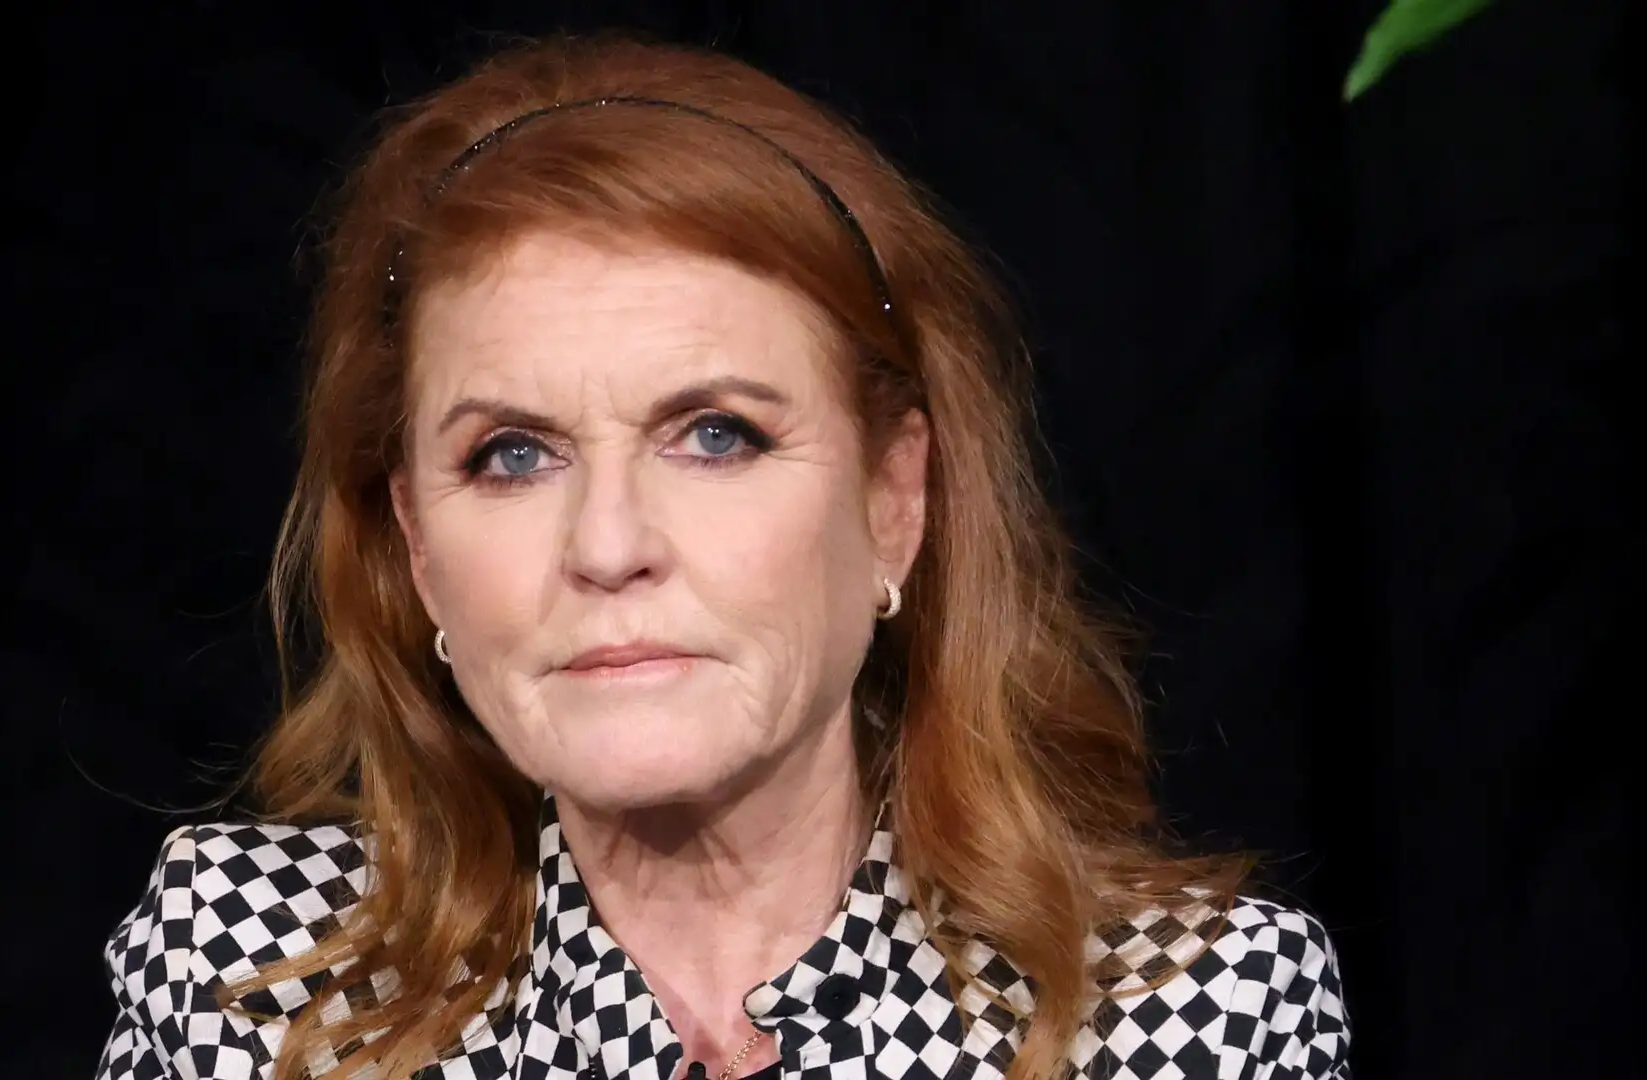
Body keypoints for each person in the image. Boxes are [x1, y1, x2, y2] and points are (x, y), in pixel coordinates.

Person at [96, 34, 1349, 1080]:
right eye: (514, 456)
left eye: (715, 435)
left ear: (893, 500)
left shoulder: (1194, 1018)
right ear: (417, 547)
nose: (608, 546)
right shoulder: (250, 987)